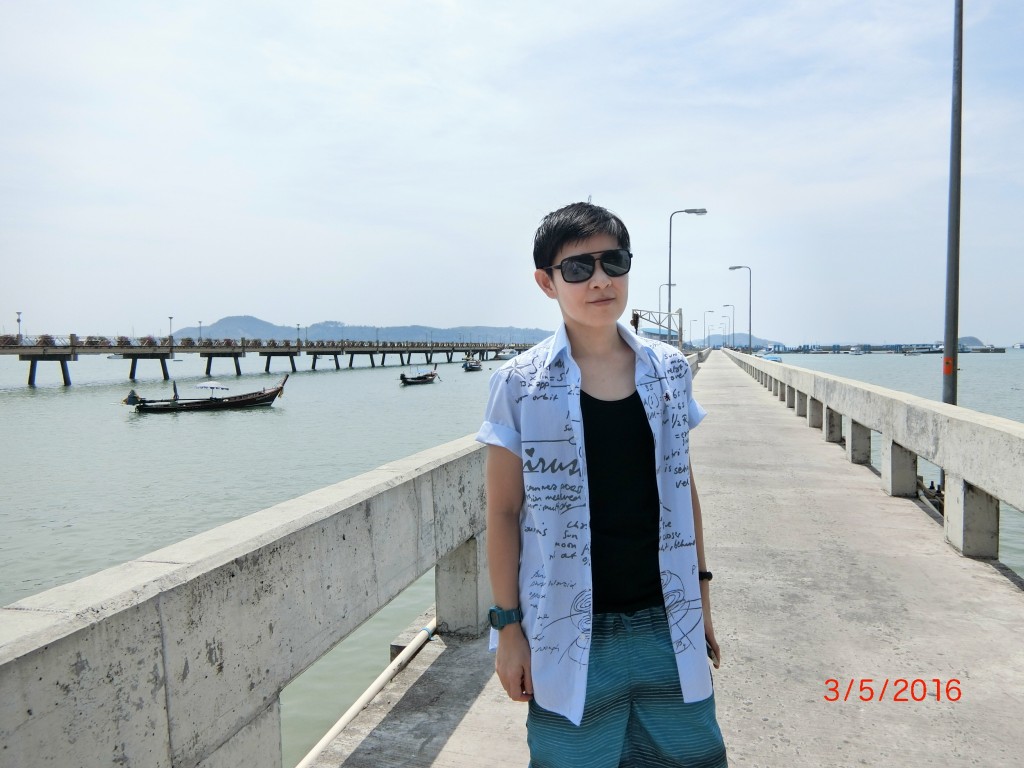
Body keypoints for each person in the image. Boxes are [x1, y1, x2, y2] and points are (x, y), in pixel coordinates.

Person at [476, 202, 727, 767]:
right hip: (566, 629)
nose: (600, 280)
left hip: (668, 620)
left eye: (613, 262)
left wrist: (703, 599)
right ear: (547, 282)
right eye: (577, 268)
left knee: (692, 756)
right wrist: (508, 630)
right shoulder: (518, 384)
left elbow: (682, 488)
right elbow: (503, 513)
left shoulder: (669, 369)